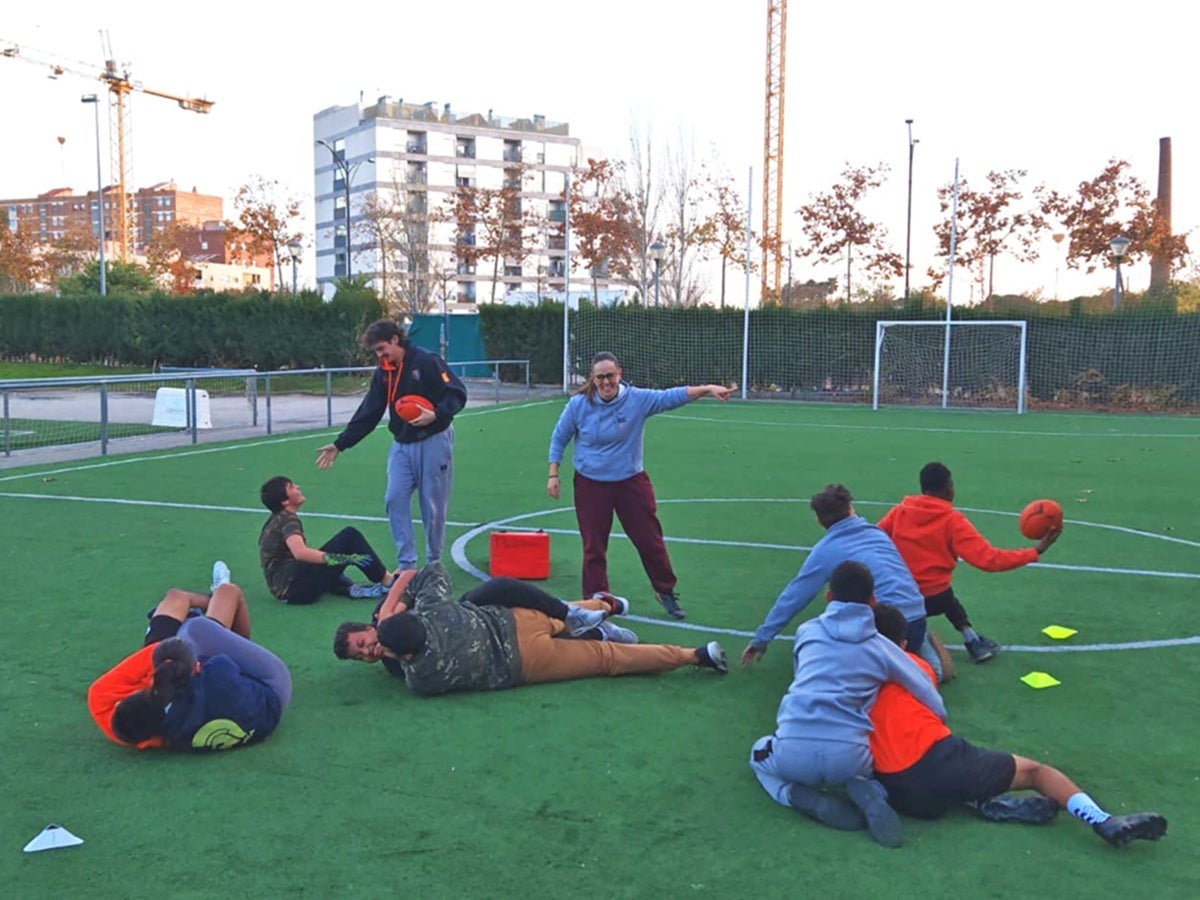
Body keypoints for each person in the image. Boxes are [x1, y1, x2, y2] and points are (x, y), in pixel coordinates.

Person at [868, 602, 1167, 848]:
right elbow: (942, 676)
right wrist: (933, 644)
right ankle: (1102, 820)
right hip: (940, 760)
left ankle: (982, 802)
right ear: (903, 643)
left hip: (900, 791)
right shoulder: (915, 665)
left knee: (943, 777)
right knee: (1036, 772)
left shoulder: (851, 678)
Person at [746, 561, 947, 848]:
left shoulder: (806, 632)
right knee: (880, 764)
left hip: (794, 747)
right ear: (873, 602)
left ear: (828, 596)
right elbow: (925, 689)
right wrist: (940, 716)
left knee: (758, 755)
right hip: (850, 755)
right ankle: (870, 790)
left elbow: (799, 674)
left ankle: (792, 795)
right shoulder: (882, 646)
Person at [332, 562, 729, 695]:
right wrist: (392, 608)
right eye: (363, 653)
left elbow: (405, 660)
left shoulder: (418, 680)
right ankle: (605, 610)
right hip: (514, 625)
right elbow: (422, 572)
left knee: (604, 658)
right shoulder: (434, 610)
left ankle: (692, 656)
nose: (370, 651)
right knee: (569, 620)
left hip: (522, 663)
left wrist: (390, 636)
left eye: (366, 644)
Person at [547, 351, 731, 620]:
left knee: (649, 540)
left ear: (619, 374)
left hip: (630, 482)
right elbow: (559, 437)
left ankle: (664, 590)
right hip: (590, 484)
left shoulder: (637, 399)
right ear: (593, 379)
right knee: (593, 546)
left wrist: (708, 389)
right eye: (600, 377)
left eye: (610, 376)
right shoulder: (578, 405)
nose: (606, 382)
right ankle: (597, 602)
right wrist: (553, 474)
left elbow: (671, 396)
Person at [88, 564, 293, 752]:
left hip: (226, 702)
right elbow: (194, 655)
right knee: (202, 620)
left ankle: (211, 605)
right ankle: (213, 599)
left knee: (177, 598)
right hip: (270, 693)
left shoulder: (153, 733)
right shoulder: (209, 680)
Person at [316, 319, 468, 571]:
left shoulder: (427, 361)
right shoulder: (384, 373)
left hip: (434, 439)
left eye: (381, 348)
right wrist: (340, 444)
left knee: (432, 505)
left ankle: (433, 562)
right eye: (375, 351)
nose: (379, 355)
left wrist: (436, 414)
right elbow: (369, 412)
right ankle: (407, 563)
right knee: (394, 497)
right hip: (402, 444)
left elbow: (456, 392)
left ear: (395, 340)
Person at [877, 462, 1061, 664]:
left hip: (899, 594)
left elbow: (874, 537)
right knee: (946, 599)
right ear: (949, 489)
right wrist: (1035, 551)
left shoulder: (899, 512)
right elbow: (988, 559)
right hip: (934, 598)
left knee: (944, 603)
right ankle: (972, 641)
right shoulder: (952, 521)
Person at [741, 484, 931, 668]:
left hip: (883, 631)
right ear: (851, 509)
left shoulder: (826, 550)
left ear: (819, 520)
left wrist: (762, 638)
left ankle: (907, 662)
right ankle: (921, 654)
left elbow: (794, 596)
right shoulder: (877, 533)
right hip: (918, 617)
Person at [259, 475, 397, 604]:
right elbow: (300, 553)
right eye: (291, 487)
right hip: (296, 590)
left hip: (287, 588)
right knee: (350, 537)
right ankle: (389, 582)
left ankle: (349, 588)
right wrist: (344, 559)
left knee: (324, 561)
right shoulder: (288, 520)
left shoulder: (276, 519)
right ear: (285, 501)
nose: (297, 487)